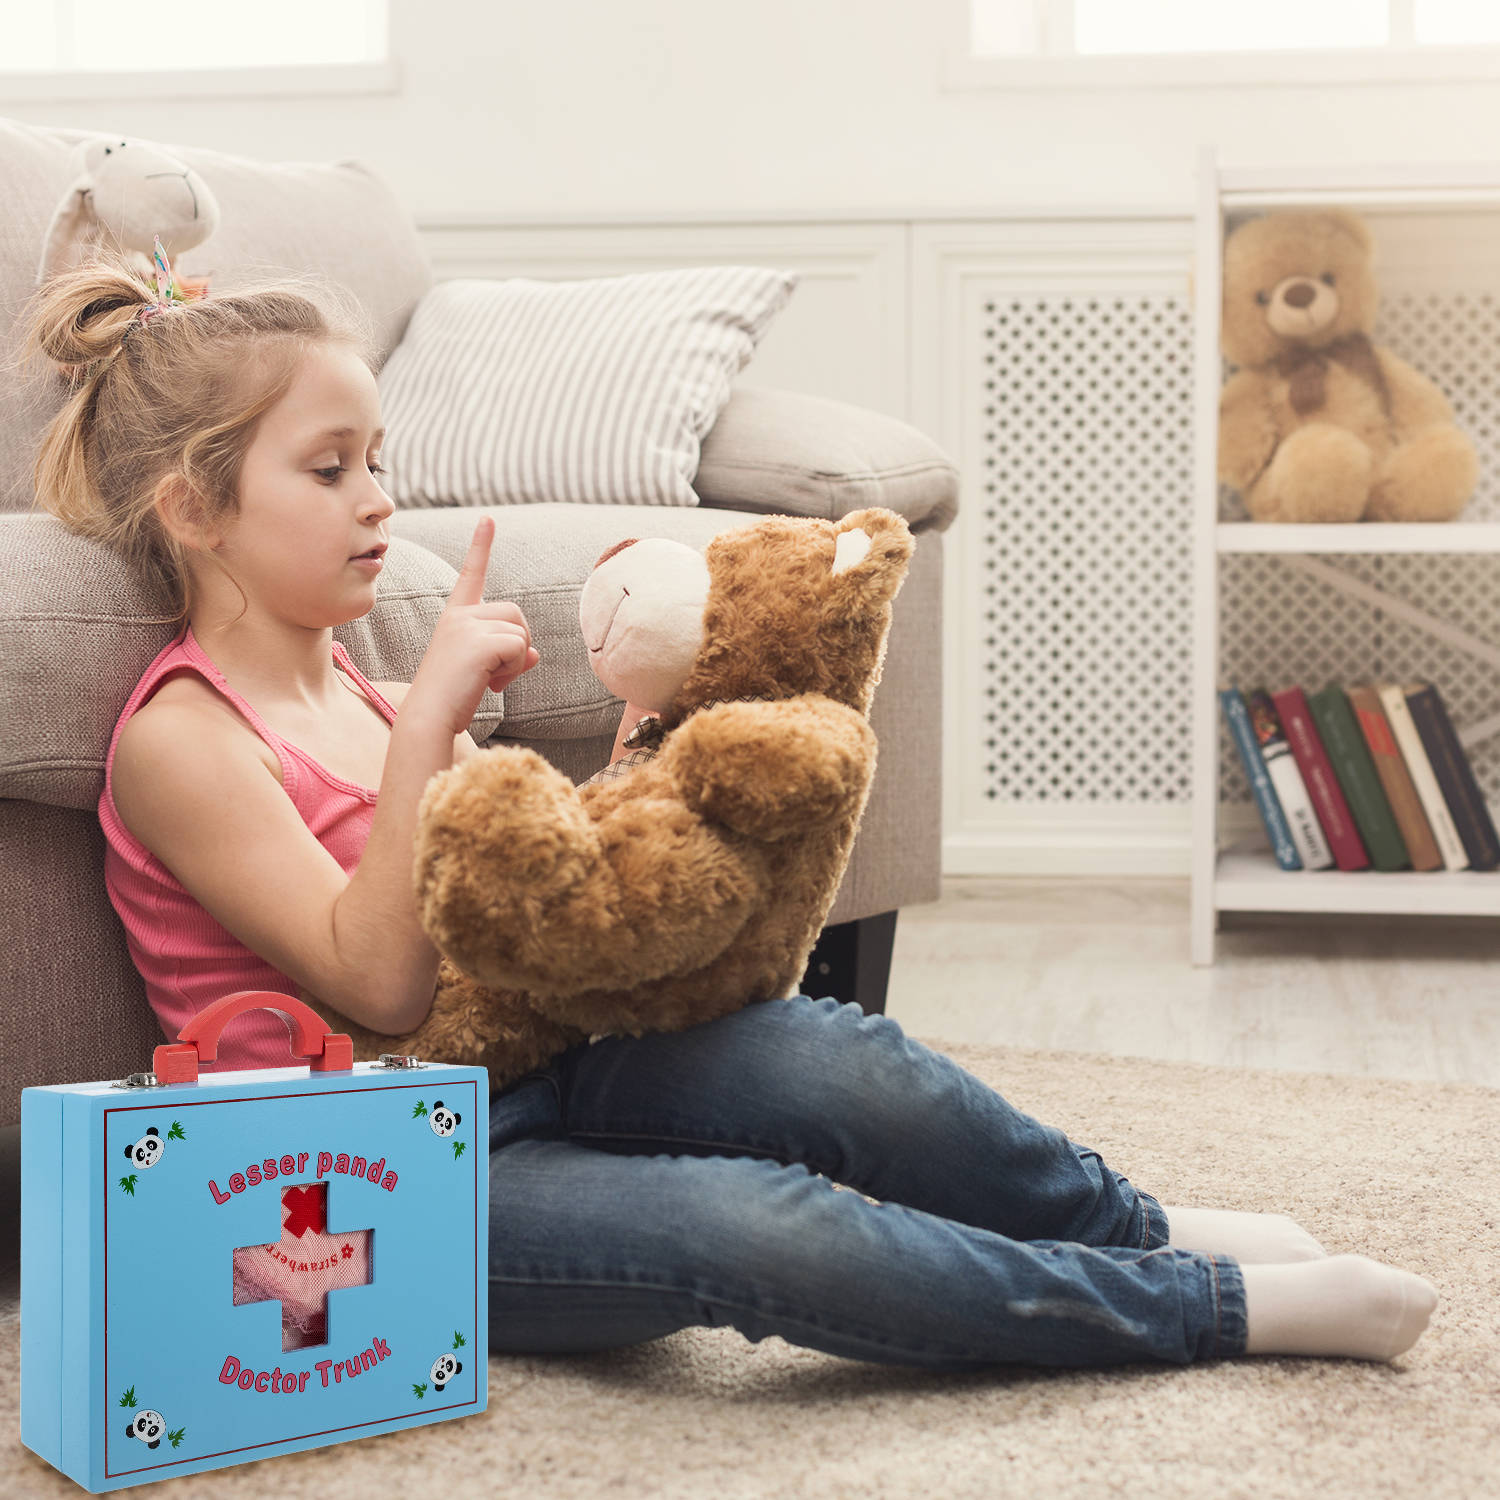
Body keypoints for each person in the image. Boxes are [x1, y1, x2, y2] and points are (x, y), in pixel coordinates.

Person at [16, 246, 1438, 1372]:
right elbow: (382, 981)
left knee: (835, 1062)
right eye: (328, 471)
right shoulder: (185, 740)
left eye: (377, 459)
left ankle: (1136, 1229)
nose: (380, 501)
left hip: (534, 1073)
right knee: (759, 1229)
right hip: (370, 1187)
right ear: (196, 510)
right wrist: (434, 722)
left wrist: (632, 778)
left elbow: (530, 929)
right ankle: (1205, 1311)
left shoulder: (368, 698)